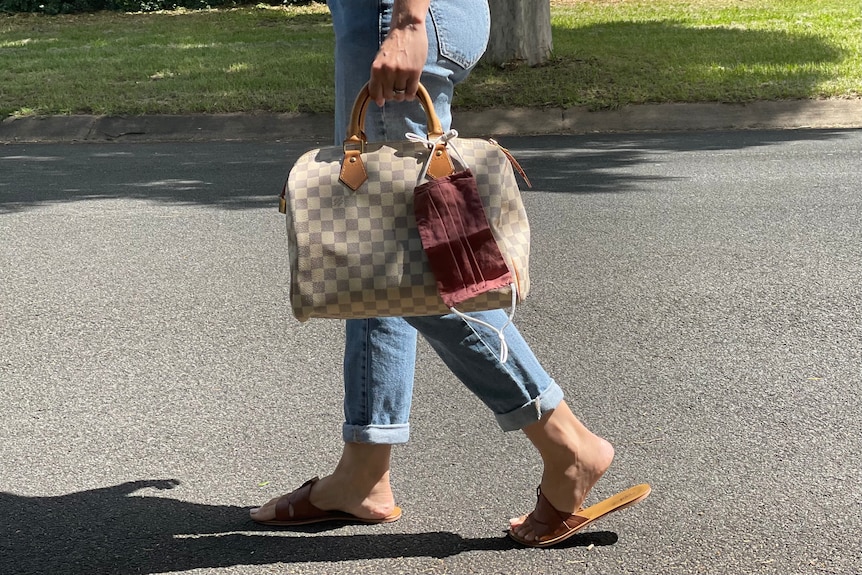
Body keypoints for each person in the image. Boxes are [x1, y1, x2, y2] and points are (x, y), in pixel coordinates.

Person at [250, 0, 649, 547]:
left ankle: (567, 443)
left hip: (396, 12)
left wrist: (408, 21)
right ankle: (364, 471)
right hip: (389, 15)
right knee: (381, 253)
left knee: (422, 265)